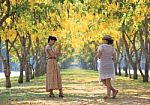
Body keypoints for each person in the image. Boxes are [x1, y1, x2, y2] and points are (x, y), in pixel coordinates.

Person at [97, 35, 118, 99]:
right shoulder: (112, 48)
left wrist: (98, 54)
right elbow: (114, 58)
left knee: (104, 80)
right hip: (110, 65)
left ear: (106, 41)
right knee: (106, 80)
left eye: (103, 40)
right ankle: (114, 90)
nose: (103, 41)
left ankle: (108, 95)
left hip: (103, 65)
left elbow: (98, 56)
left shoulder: (101, 47)